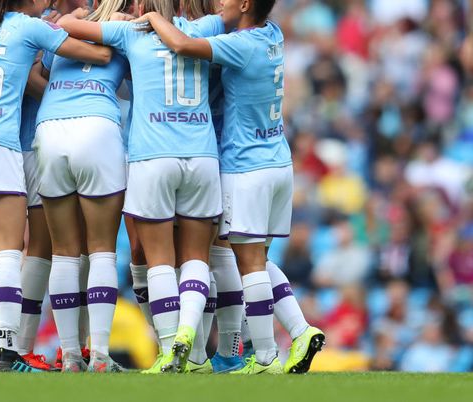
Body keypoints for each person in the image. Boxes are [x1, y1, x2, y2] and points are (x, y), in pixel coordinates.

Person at [134, 0, 325, 374]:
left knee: (247, 262)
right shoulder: (273, 34)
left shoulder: (240, 45)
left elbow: (184, 46)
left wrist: (155, 17)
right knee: (258, 259)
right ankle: (300, 330)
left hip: (244, 165)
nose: (220, 2)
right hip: (278, 161)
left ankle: (266, 356)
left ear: (244, 4)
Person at [0, 0, 112, 372]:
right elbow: (97, 56)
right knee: (7, 250)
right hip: (4, 142)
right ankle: (9, 349)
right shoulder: (34, 27)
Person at [57, 0, 233, 373]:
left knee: (160, 262)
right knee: (198, 258)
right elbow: (239, 15)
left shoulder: (130, 32)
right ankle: (197, 350)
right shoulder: (202, 30)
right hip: (202, 154)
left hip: (152, 157)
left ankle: (171, 351)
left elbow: (69, 27)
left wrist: (99, 17)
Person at [34, 0, 134, 373]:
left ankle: (71, 355)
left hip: (51, 128)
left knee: (64, 252)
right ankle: (102, 355)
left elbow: (38, 74)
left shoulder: (58, 28)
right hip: (98, 126)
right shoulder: (129, 28)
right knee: (102, 250)